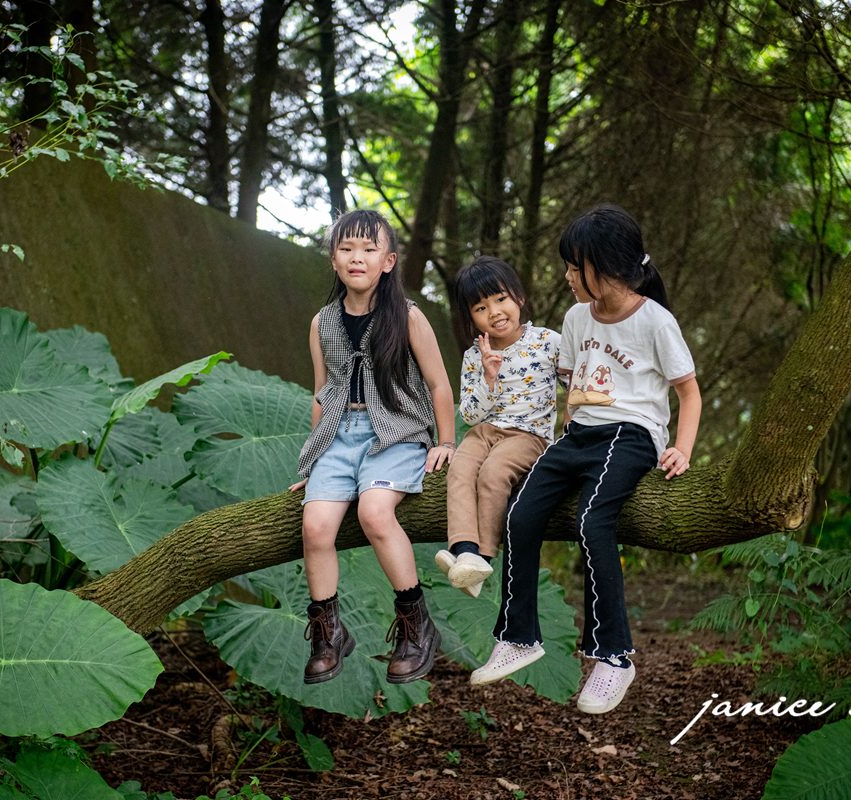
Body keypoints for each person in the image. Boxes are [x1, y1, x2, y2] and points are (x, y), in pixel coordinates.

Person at [469, 204, 701, 716]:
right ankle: (518, 636)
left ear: (608, 267)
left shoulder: (655, 321)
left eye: (575, 267)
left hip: (631, 434)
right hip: (578, 434)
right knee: (520, 515)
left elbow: (689, 391)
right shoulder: (576, 318)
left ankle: (613, 655)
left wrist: (681, 448)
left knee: (592, 520)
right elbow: (572, 385)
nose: (567, 276)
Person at [289, 209, 456, 686]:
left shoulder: (408, 317)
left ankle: (416, 624)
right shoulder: (322, 323)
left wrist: (446, 441)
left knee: (375, 512)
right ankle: (328, 633)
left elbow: (439, 384)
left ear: (388, 261)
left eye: (368, 249)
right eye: (346, 249)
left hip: (397, 433)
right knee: (315, 525)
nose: (356, 257)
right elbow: (322, 392)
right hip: (339, 435)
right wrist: (314, 458)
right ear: (333, 260)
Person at [436, 256, 560, 598]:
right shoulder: (474, 356)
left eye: (501, 299)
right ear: (471, 317)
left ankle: (483, 558)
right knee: (460, 470)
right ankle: (465, 550)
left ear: (518, 296)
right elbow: (469, 415)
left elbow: (577, 382)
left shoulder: (548, 342)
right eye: (481, 307)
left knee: (493, 473)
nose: (494, 312)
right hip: (484, 432)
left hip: (528, 435)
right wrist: (488, 379)